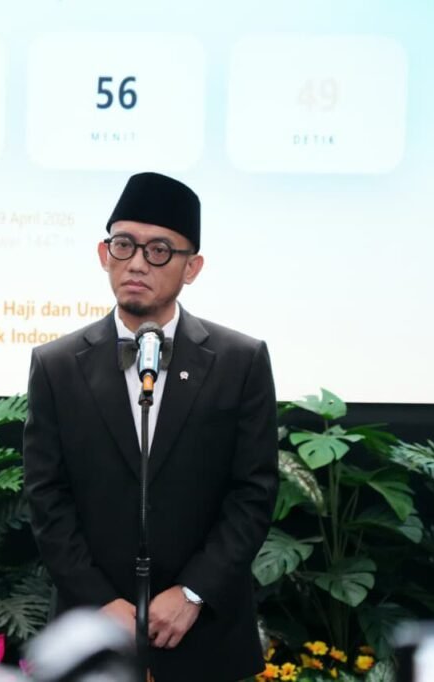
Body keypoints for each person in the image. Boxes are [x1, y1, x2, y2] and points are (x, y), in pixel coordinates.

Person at [22, 172, 278, 681]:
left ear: (192, 267)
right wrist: (100, 601)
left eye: (159, 250)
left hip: (204, 632)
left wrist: (192, 593)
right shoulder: (57, 364)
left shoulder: (240, 360)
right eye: (124, 245)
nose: (137, 263)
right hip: (92, 632)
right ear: (104, 254)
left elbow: (254, 491)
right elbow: (46, 495)